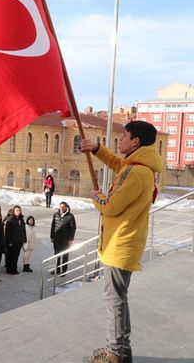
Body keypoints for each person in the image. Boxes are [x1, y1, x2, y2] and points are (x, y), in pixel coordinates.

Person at [81, 121, 162, 363]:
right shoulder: (138, 166)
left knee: (114, 301)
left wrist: (97, 197)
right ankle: (121, 349)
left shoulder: (137, 171)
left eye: (124, 136)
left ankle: (114, 353)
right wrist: (97, 149)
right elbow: (120, 165)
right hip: (122, 243)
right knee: (118, 298)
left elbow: (112, 207)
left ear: (135, 141)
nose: (120, 140)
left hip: (120, 245)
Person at [50, 202, 76, 276]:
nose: (61, 208)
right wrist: (52, 236)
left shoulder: (70, 216)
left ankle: (64, 271)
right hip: (57, 239)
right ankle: (57, 270)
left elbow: (73, 228)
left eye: (63, 207)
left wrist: (71, 239)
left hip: (66, 240)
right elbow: (53, 226)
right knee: (57, 255)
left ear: (66, 207)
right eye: (60, 206)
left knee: (65, 256)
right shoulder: (56, 214)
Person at [4, 206, 26, 275]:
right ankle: (10, 269)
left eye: (19, 210)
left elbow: (23, 230)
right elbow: (8, 232)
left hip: (19, 241)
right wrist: (9, 241)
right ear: (14, 211)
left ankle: (14, 268)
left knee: (16, 256)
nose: (18, 212)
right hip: (12, 241)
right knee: (11, 256)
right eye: (16, 210)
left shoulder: (21, 219)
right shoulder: (10, 220)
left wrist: (24, 239)